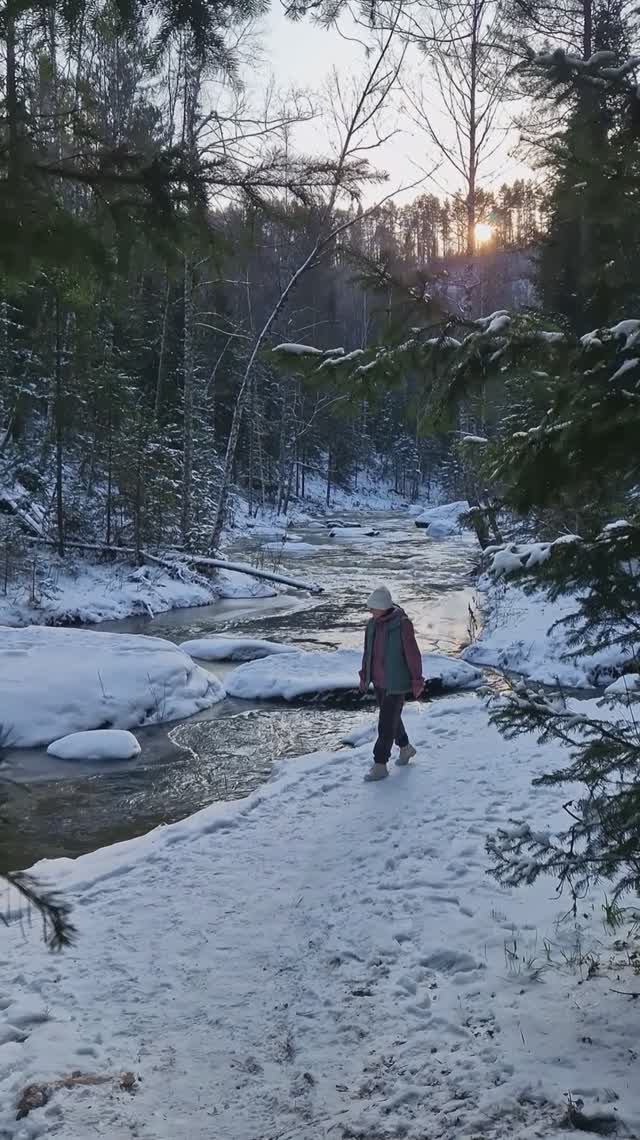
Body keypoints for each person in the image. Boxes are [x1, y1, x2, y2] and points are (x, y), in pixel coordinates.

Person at [359, 586, 424, 782]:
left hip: (396, 682)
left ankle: (380, 764)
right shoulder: (372, 624)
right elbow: (367, 652)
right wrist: (364, 675)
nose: (370, 611)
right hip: (378, 681)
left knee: (386, 724)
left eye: (373, 607)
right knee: (391, 718)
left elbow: (412, 654)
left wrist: (417, 679)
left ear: (383, 607)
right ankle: (405, 748)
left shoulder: (402, 624)